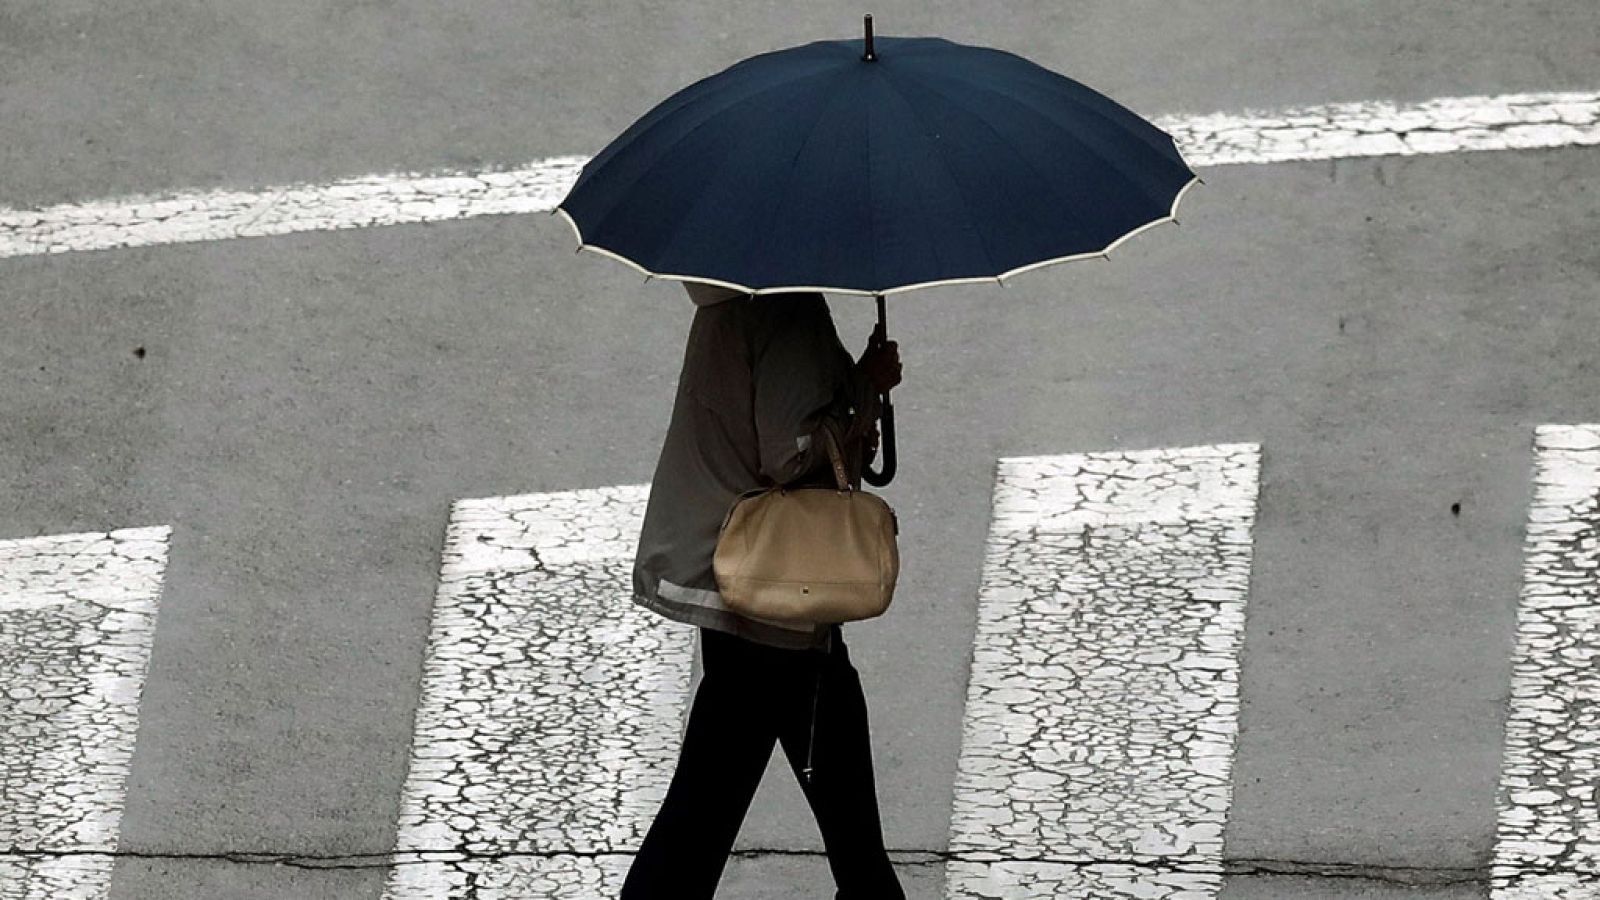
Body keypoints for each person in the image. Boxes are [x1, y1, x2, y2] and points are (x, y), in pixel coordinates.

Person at [621, 281, 905, 900]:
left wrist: (855, 391)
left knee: (719, 798)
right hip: (771, 598)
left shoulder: (736, 302)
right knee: (734, 800)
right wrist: (864, 388)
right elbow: (791, 450)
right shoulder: (787, 309)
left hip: (742, 582)